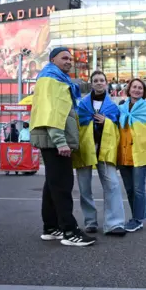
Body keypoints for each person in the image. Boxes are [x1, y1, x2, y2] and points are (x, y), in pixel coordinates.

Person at [30, 47, 96, 247]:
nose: (69, 61)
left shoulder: (55, 78)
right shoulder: (52, 79)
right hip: (55, 141)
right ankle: (70, 231)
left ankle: (51, 228)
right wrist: (61, 141)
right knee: (62, 186)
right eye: (64, 58)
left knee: (52, 185)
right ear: (52, 60)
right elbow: (51, 113)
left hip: (52, 140)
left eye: (70, 58)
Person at [74, 70, 126, 236]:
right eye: (95, 80)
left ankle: (114, 223)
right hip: (84, 148)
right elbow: (78, 126)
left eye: (101, 80)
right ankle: (90, 222)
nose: (98, 82)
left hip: (105, 150)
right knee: (84, 187)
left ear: (106, 83)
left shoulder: (113, 107)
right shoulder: (82, 105)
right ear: (91, 83)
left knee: (112, 185)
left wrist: (106, 122)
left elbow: (118, 129)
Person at [117, 78, 146, 233]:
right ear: (129, 89)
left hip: (140, 155)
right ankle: (135, 218)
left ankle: (138, 219)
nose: (137, 90)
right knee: (129, 189)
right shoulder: (121, 108)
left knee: (138, 189)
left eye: (140, 88)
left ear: (144, 91)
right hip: (124, 153)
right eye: (134, 87)